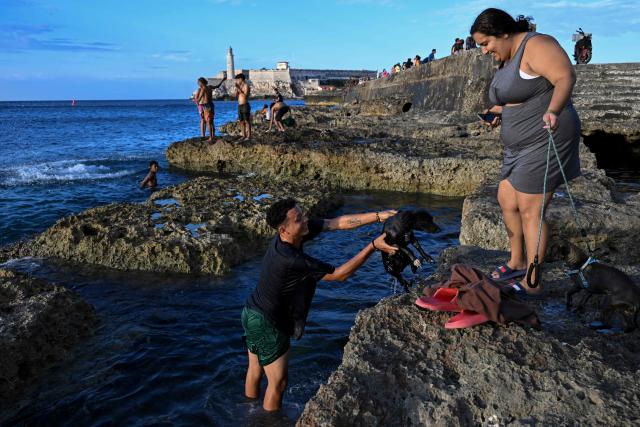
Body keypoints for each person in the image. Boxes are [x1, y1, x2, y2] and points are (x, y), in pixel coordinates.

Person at [242, 198, 398, 411]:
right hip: (268, 322)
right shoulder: (290, 259)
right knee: (278, 383)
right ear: (283, 229)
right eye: (299, 219)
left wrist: (379, 216)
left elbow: (337, 223)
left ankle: (248, 411)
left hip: (251, 311)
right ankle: (267, 422)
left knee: (255, 370)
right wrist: (372, 246)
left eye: (303, 214)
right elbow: (340, 274)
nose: (306, 220)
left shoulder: (293, 235)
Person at [471, 8, 581, 294]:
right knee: (506, 199)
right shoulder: (506, 58)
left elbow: (565, 77)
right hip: (517, 145)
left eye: (486, 43)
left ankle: (533, 282)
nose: (484, 51)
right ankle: (517, 260)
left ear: (503, 33)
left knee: (531, 209)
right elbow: (516, 98)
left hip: (546, 137)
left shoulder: (537, 45)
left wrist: (554, 110)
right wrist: (495, 111)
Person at [195, 76, 226, 142]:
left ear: (201, 82)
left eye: (198, 83)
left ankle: (211, 138)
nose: (198, 84)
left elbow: (199, 99)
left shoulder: (203, 89)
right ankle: (213, 136)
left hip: (206, 106)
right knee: (211, 122)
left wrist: (196, 101)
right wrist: (222, 80)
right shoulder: (209, 87)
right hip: (211, 105)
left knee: (208, 122)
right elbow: (217, 86)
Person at [234, 73, 252, 140]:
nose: (237, 81)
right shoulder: (240, 86)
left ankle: (249, 136)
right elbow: (235, 96)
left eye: (237, 79)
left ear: (241, 79)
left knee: (247, 121)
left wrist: (239, 88)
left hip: (245, 105)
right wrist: (237, 89)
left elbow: (245, 96)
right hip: (239, 105)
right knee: (241, 121)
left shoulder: (246, 86)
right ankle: (243, 135)